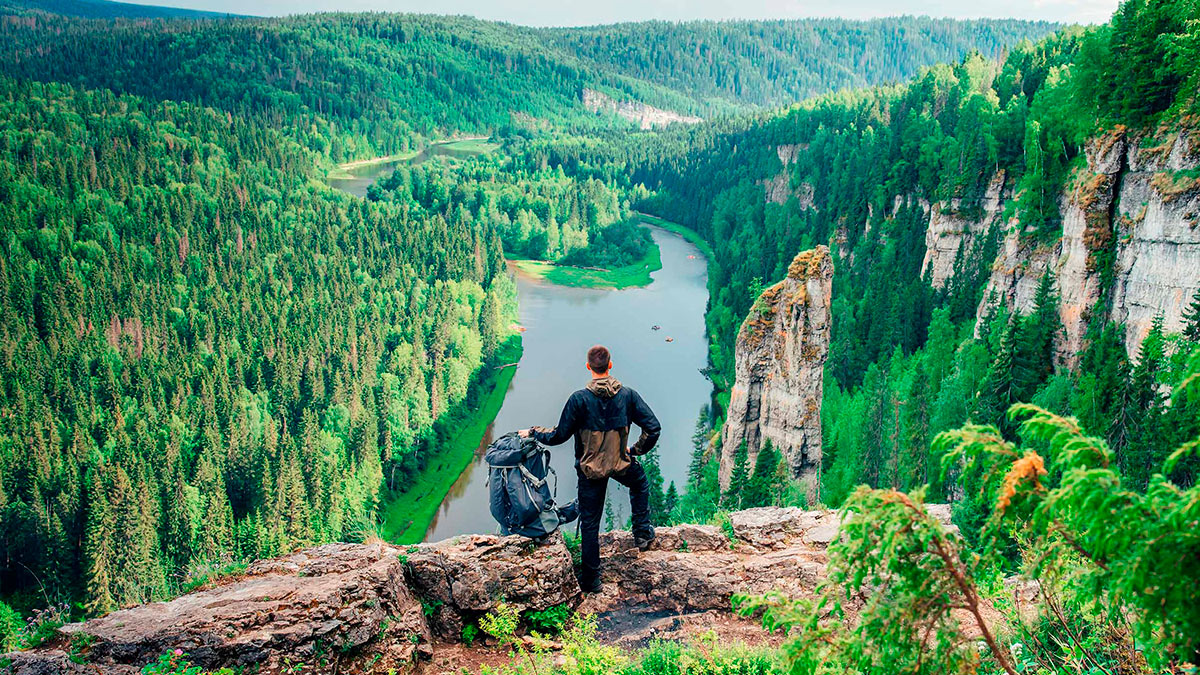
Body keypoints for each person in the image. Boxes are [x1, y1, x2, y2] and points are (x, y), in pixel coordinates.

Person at [520, 344, 661, 593]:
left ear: (588, 367)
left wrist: (533, 432)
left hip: (590, 470)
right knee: (639, 484)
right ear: (610, 365)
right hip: (620, 464)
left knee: (590, 524)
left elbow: (558, 435)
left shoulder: (579, 400)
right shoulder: (627, 395)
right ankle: (641, 533)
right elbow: (653, 427)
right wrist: (634, 450)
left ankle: (592, 581)